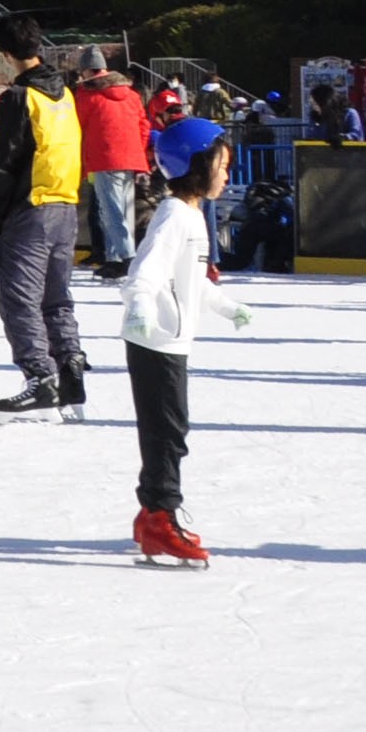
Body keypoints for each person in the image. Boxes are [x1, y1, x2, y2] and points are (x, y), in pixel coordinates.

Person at [121, 115, 254, 566]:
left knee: (170, 429)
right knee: (166, 432)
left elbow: (193, 281)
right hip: (154, 339)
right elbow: (146, 270)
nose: (227, 174)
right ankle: (160, 518)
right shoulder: (174, 216)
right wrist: (140, 306)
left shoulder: (190, 214)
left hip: (169, 339)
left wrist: (227, 306)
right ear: (195, 165)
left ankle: (151, 514)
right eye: (222, 166)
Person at [0, 16, 90, 420]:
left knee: (20, 300)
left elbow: (7, 161)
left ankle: (40, 377)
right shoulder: (65, 93)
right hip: (65, 205)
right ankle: (70, 368)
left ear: (5, 53)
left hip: (30, 209)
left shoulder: (19, 97)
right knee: (56, 298)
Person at [71, 47, 151, 279]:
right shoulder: (132, 94)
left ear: (86, 70)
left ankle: (126, 257)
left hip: (104, 157)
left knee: (111, 211)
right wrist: (137, 149)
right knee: (123, 209)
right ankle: (114, 258)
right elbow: (144, 125)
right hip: (130, 157)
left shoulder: (87, 95)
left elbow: (77, 126)